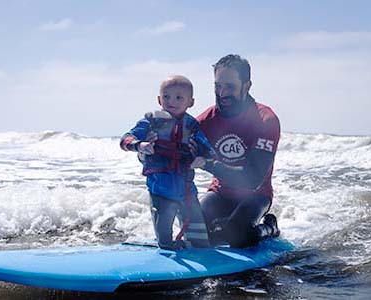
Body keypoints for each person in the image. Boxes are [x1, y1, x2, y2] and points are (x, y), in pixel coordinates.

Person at [196, 54, 281, 248]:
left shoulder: (265, 120)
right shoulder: (206, 120)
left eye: (230, 87)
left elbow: (252, 179)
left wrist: (208, 164)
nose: (222, 92)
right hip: (220, 193)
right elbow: (176, 145)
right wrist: (147, 149)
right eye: (217, 86)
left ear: (247, 85)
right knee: (195, 228)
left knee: (237, 235)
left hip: (256, 195)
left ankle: (269, 227)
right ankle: (223, 225)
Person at [120, 75, 213, 250]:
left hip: (187, 191)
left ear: (190, 102)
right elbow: (125, 139)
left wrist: (202, 158)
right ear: (159, 99)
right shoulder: (150, 122)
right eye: (167, 97)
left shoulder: (192, 126)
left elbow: (209, 149)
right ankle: (166, 248)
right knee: (165, 242)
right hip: (160, 191)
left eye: (179, 97)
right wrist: (140, 145)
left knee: (200, 240)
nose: (172, 101)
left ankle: (190, 250)